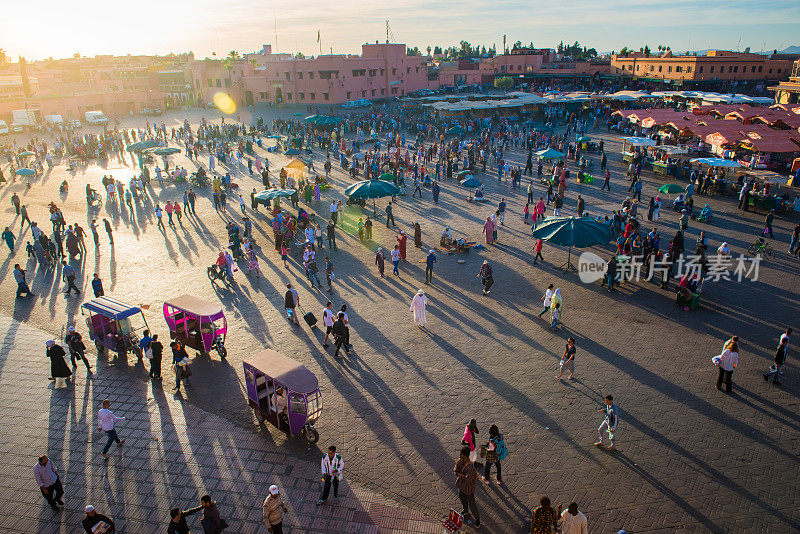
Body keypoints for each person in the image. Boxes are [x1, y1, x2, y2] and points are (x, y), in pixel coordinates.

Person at [454, 446, 480, 527]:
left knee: (472, 504)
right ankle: (465, 510)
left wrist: (459, 474)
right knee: (462, 498)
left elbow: (468, 479)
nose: (460, 455)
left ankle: (477, 519)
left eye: (461, 454)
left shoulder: (471, 467)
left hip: (468, 488)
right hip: (461, 485)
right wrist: (459, 474)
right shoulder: (459, 461)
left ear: (465, 455)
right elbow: (455, 469)